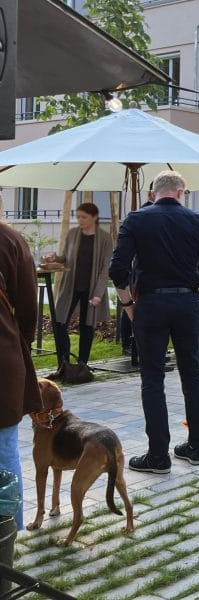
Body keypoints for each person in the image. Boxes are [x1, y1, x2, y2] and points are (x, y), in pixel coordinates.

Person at [110, 171, 199, 473]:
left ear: (152, 193)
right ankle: (196, 446)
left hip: (151, 304)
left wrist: (129, 306)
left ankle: (158, 455)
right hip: (186, 302)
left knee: (152, 380)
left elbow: (118, 269)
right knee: (192, 375)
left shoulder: (136, 219)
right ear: (181, 192)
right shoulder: (198, 221)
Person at [0, 219, 41, 536]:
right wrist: (18, 344)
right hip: (4, 358)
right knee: (4, 451)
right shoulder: (9, 239)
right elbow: (29, 309)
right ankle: (9, 536)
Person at [44, 202, 113, 376]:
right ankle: (64, 364)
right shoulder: (73, 234)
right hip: (71, 287)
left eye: (84, 217)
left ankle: (82, 366)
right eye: (78, 216)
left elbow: (105, 269)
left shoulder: (105, 238)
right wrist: (54, 257)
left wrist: (98, 294)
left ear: (94, 218)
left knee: (87, 325)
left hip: (91, 289)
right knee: (59, 323)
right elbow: (65, 258)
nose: (80, 220)